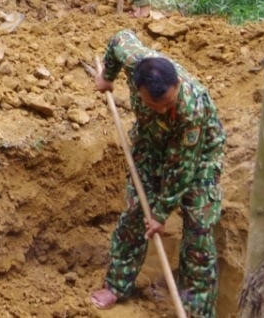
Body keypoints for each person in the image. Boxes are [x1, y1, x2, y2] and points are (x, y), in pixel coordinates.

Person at [90, 30, 225, 316]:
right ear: (137, 88)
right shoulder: (136, 60)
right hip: (151, 144)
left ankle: (197, 308)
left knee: (199, 226)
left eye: (168, 104)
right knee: (136, 210)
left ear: (176, 84)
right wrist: (108, 77)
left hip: (198, 157)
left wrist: (161, 214)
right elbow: (117, 39)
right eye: (156, 105)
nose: (164, 110)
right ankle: (117, 285)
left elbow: (182, 169)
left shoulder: (191, 110)